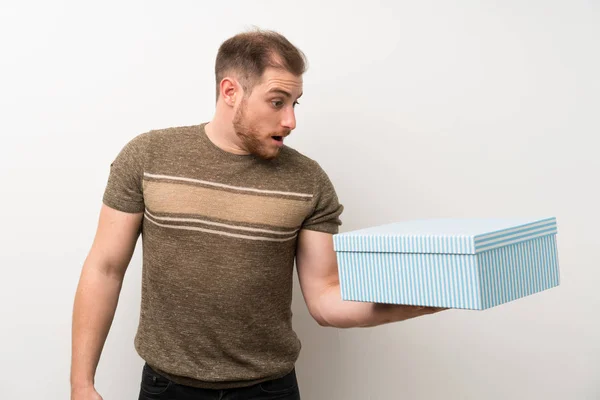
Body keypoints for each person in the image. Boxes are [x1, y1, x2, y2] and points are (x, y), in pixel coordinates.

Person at [70, 29, 442, 400]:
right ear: (230, 92)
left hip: (268, 390)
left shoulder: (308, 180)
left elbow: (326, 298)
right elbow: (105, 268)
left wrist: (423, 301)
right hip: (166, 388)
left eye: (295, 103)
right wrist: (81, 384)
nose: (291, 121)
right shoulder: (148, 156)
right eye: (277, 102)